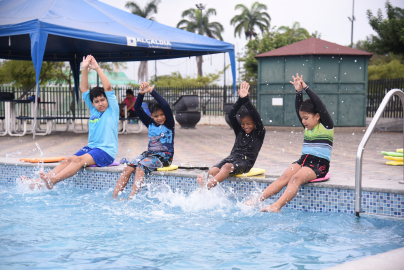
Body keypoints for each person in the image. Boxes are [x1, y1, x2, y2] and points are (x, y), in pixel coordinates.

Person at [22, 55, 119, 189]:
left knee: (78, 160)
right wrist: (84, 68)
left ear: (107, 100)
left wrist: (96, 68)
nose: (100, 103)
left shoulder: (112, 110)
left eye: (103, 100)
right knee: (68, 160)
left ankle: (53, 180)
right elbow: (84, 89)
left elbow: (107, 87)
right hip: (91, 148)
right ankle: (40, 182)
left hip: (106, 152)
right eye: (96, 102)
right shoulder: (94, 110)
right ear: (93, 103)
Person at [245, 73, 334, 212]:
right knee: (284, 177)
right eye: (302, 119)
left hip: (319, 165)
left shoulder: (326, 126)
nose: (303, 121)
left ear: (317, 116)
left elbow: (320, 104)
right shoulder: (307, 126)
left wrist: (306, 88)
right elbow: (299, 108)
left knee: (295, 179)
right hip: (303, 161)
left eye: (306, 118)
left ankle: (277, 206)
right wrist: (298, 92)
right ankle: (257, 200)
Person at [196, 81, 266, 190]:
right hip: (232, 158)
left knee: (226, 167)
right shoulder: (240, 131)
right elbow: (231, 115)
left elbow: (255, 116)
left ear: (254, 123)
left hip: (245, 162)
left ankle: (207, 187)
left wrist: (246, 100)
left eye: (249, 124)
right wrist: (240, 99)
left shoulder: (259, 132)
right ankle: (203, 190)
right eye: (243, 124)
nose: (245, 126)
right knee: (213, 170)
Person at [112, 82, 174, 199]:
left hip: (165, 157)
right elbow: (137, 108)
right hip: (150, 155)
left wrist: (151, 91)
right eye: (156, 116)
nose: (159, 118)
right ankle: (114, 196)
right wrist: (140, 94)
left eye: (162, 115)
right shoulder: (149, 122)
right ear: (151, 116)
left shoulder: (169, 123)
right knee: (128, 168)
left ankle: (131, 198)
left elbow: (165, 105)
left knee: (140, 166)